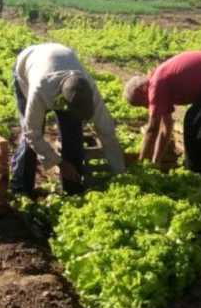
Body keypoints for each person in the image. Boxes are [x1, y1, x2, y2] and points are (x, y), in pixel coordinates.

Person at [11, 43, 126, 196]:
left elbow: (107, 132)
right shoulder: (39, 90)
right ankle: (21, 188)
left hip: (59, 62)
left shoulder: (88, 88)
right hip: (28, 67)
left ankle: (73, 189)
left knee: (73, 136)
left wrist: (119, 172)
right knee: (29, 141)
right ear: (63, 102)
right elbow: (32, 134)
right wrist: (59, 163)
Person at [124, 51, 201, 176]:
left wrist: (141, 164)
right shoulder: (160, 83)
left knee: (194, 121)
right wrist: (155, 162)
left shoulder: (156, 85)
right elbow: (165, 129)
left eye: (142, 103)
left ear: (142, 89)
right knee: (197, 121)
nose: (147, 107)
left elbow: (152, 129)